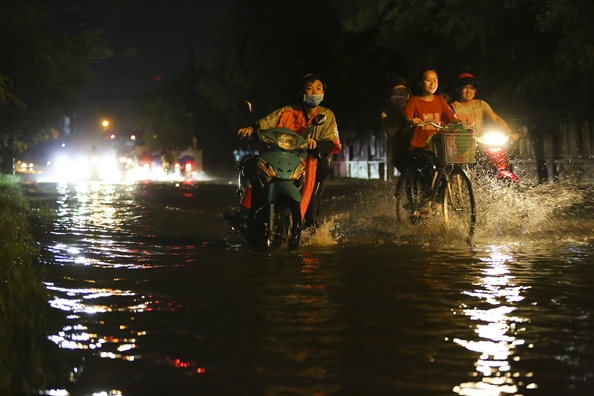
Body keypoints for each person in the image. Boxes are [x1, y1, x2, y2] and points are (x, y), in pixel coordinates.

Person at [230, 73, 341, 229]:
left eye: (319, 89)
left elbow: (331, 143)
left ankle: (311, 224)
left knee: (321, 172)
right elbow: (266, 122)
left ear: (323, 93)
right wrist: (250, 128)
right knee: (254, 167)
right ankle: (248, 212)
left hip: (312, 160)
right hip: (283, 157)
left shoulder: (327, 115)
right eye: (310, 89)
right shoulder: (287, 111)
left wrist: (316, 145)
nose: (315, 92)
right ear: (302, 93)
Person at [404, 69, 462, 213]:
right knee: (428, 169)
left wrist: (459, 123)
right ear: (420, 82)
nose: (432, 83)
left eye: (435, 80)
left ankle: (438, 201)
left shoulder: (440, 101)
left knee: (447, 168)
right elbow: (406, 118)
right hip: (419, 147)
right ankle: (424, 202)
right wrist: (412, 121)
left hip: (438, 147)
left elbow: (451, 117)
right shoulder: (414, 101)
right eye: (428, 80)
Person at [380, 78, 414, 176]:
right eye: (395, 94)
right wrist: (406, 126)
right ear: (390, 97)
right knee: (410, 170)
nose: (399, 97)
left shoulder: (415, 110)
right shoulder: (386, 114)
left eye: (402, 93)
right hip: (401, 154)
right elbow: (395, 140)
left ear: (408, 95)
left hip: (420, 150)